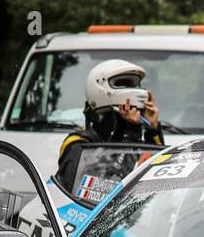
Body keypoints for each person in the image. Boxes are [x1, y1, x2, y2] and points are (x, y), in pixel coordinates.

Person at [58, 59, 164, 192]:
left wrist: (152, 130)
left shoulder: (127, 135)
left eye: (132, 85)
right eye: (122, 84)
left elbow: (157, 177)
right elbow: (111, 184)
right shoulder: (77, 143)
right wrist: (131, 133)